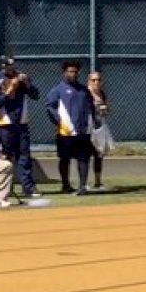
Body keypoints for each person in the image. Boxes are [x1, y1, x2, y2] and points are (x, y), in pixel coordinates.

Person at [44, 59, 97, 195]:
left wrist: (92, 120)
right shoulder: (58, 90)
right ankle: (66, 185)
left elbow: (91, 106)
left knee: (84, 158)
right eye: (70, 71)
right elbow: (50, 106)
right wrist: (59, 120)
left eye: (75, 71)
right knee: (64, 158)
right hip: (66, 133)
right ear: (64, 73)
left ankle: (82, 186)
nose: (73, 74)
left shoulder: (84, 90)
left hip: (83, 131)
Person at [0, 57, 41, 198]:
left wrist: (27, 83)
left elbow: (36, 95)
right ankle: (2, 190)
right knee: (6, 157)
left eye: (13, 66)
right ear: (3, 66)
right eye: (8, 66)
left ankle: (28, 188)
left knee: (24, 156)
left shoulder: (21, 77)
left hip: (21, 122)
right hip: (5, 122)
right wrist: (9, 89)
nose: (11, 69)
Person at [86, 70, 111, 190]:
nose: (96, 82)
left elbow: (106, 111)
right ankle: (83, 182)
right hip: (87, 126)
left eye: (98, 80)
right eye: (93, 80)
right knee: (85, 155)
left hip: (99, 126)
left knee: (99, 155)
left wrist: (104, 108)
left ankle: (98, 182)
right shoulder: (86, 93)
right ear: (89, 81)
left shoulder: (102, 94)